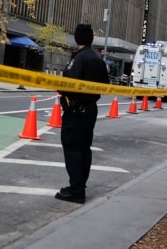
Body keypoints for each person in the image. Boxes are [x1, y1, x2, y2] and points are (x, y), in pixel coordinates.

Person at [55, 24, 109, 204]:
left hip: (76, 110)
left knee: (73, 149)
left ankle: (76, 190)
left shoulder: (79, 58)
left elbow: (67, 85)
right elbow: (105, 84)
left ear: (77, 38)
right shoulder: (98, 58)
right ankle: (80, 186)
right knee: (84, 149)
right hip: (90, 109)